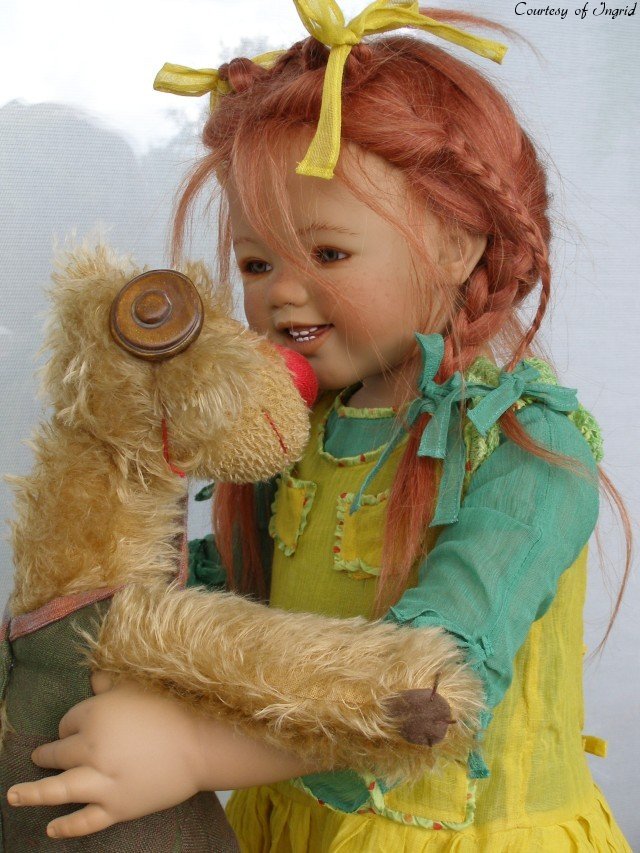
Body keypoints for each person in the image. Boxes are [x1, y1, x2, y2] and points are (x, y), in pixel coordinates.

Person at [7, 1, 633, 849]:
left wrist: (193, 749)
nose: (281, 292)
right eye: (256, 262)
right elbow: (240, 598)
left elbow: (436, 687)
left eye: (329, 253)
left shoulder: (527, 447)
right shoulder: (301, 428)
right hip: (293, 823)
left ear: (457, 246)